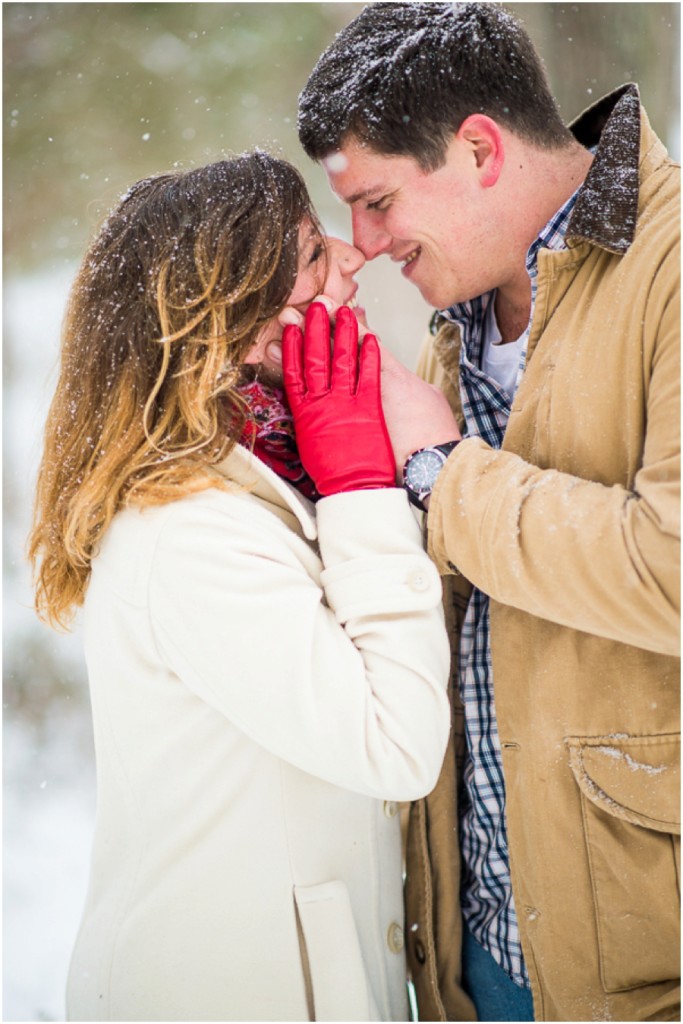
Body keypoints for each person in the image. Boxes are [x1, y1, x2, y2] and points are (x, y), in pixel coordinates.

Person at [293, 3, 681, 1021]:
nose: (364, 245)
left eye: (376, 203)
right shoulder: (454, 320)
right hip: (476, 953)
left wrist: (439, 466)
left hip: (642, 968)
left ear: (475, 148)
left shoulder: (674, 270)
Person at [28, 152, 454, 1022]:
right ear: (242, 326)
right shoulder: (189, 533)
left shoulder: (260, 479)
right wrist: (364, 491)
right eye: (309, 252)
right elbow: (396, 744)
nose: (350, 254)